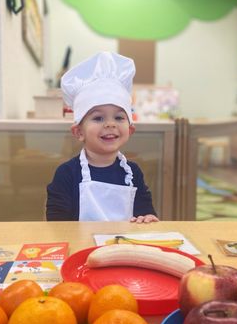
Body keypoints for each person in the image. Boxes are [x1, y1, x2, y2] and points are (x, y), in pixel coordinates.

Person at [46, 51, 159, 223]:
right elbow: (57, 224)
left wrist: (148, 218)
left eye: (119, 117)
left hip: (123, 246)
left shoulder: (133, 173)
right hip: (81, 247)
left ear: (130, 130)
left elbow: (144, 211)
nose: (110, 124)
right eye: (98, 118)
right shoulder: (67, 173)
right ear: (79, 132)